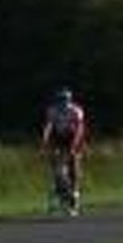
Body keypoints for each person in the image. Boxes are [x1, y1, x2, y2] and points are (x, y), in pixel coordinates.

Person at [40, 86, 89, 216]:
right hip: (59, 138)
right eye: (61, 99)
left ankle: (75, 193)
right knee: (55, 165)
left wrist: (74, 147)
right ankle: (58, 189)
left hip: (73, 137)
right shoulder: (52, 110)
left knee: (73, 164)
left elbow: (79, 129)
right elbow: (49, 127)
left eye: (66, 99)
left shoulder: (75, 110)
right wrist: (44, 141)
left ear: (70, 100)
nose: (63, 102)